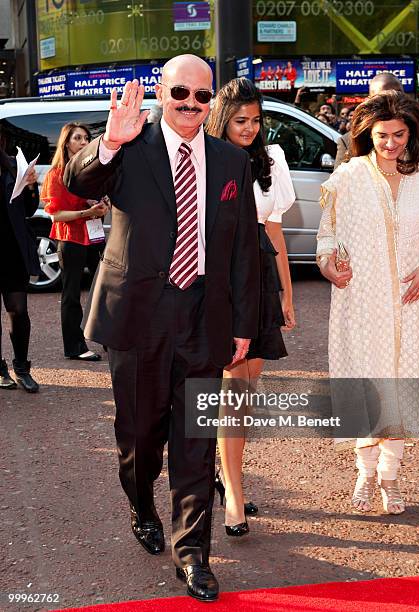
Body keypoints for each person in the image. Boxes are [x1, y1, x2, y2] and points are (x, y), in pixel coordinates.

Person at [63, 55, 260, 602]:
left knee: (195, 440)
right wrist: (108, 142)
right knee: (141, 438)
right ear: (161, 93)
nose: (191, 105)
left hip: (203, 316)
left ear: (212, 98)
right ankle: (141, 501)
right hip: (137, 317)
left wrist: (244, 323)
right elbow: (76, 182)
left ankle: (193, 554)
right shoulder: (131, 147)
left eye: (202, 96)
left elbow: (243, 247)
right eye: (180, 93)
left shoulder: (229, 161)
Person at [317, 90, 419, 515]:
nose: (391, 143)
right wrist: (329, 265)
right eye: (383, 135)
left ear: (412, 133)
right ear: (368, 134)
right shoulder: (348, 176)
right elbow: (326, 233)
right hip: (361, 303)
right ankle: (365, 472)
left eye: (399, 135)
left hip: (410, 302)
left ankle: (391, 475)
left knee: (401, 387)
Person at [206, 78, 296, 535]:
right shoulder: (206, 158)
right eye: (240, 120)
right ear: (223, 120)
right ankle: (234, 495)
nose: (250, 128)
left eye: (256, 120)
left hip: (259, 271)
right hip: (220, 278)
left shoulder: (270, 159)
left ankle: (226, 475)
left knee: (246, 390)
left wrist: (287, 293)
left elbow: (275, 232)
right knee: (231, 389)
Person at [41, 123, 108, 361]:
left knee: (105, 287)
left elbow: (101, 199)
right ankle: (75, 347)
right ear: (66, 143)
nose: (82, 141)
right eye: (77, 138)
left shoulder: (92, 169)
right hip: (71, 238)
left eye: (85, 137)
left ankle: (107, 338)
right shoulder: (55, 174)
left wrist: (101, 207)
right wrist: (86, 214)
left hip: (95, 234)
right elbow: (55, 214)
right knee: (71, 294)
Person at [0, 136, 40, 393]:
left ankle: (22, 367)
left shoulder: (15, 164)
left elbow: (30, 209)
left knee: (18, 310)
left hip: (13, 248)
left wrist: (31, 187)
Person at [334, 73, 419, 168]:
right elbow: (339, 185)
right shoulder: (349, 141)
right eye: (384, 97)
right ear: (370, 100)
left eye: (398, 94)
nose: (393, 101)